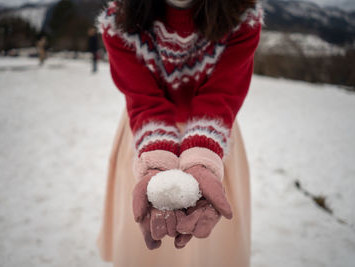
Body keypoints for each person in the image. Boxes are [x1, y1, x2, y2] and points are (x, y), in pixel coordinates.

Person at [96, 0, 263, 266]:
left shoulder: (242, 15)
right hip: (146, 134)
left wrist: (202, 159)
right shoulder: (120, 20)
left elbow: (221, 94)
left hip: (213, 135)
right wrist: (156, 161)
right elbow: (144, 99)